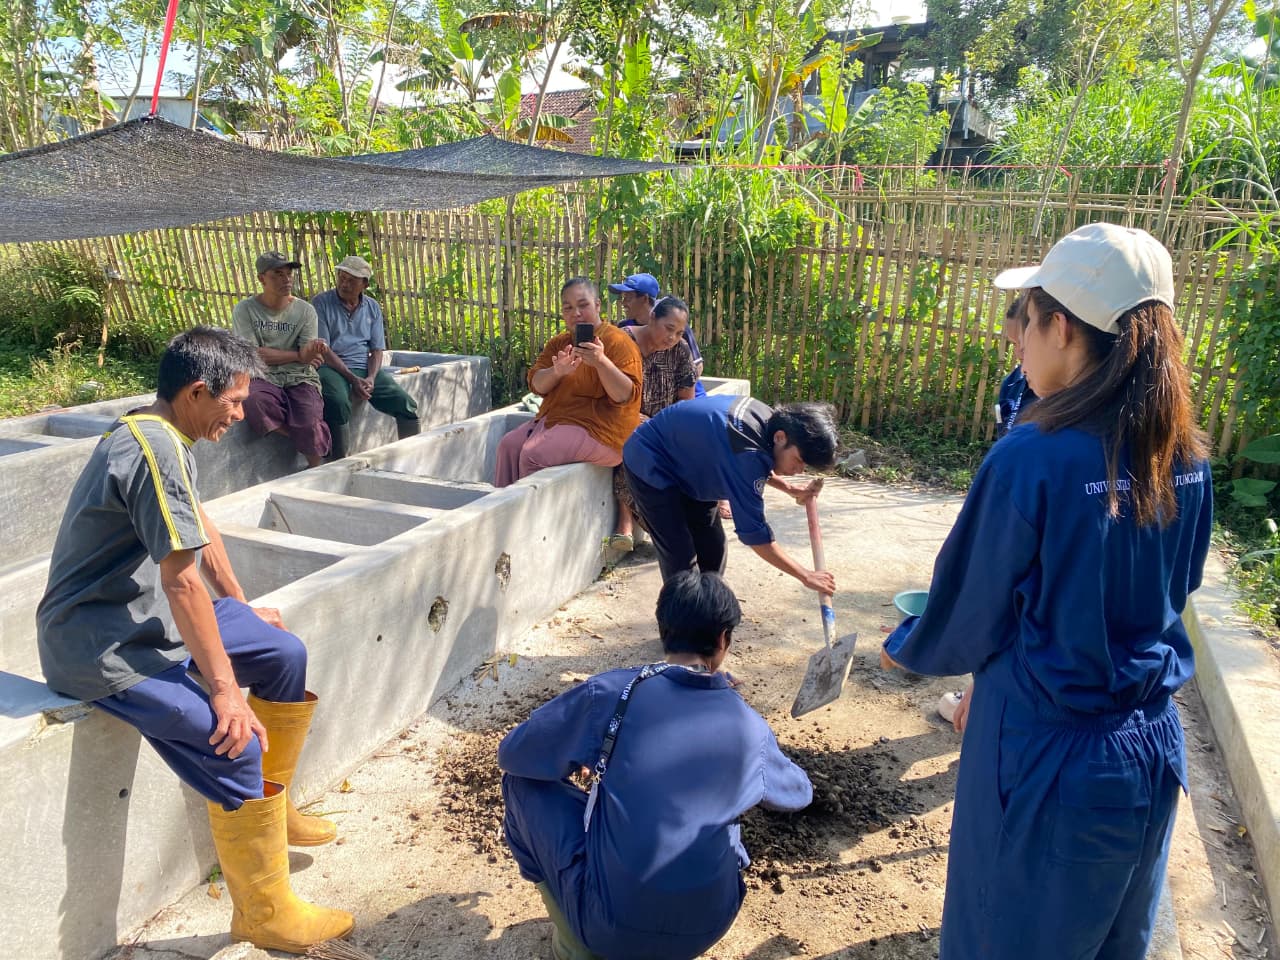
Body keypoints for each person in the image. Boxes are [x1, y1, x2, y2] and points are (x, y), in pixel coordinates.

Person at [880, 223, 1213, 960]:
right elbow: (1178, 581)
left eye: (1024, 322)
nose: (1018, 343)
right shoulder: (1184, 454)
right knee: (1110, 942)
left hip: (1046, 759)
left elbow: (967, 611)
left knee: (1004, 937)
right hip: (1150, 748)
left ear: (1060, 327)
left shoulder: (1031, 455)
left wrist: (907, 646)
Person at [36, 326, 353, 954]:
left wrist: (238, 608)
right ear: (197, 391)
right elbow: (181, 584)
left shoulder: (163, 429)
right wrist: (226, 691)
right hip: (99, 646)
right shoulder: (152, 448)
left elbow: (197, 525)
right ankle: (262, 911)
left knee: (282, 650)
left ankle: (275, 805)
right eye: (233, 403)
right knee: (233, 737)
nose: (239, 417)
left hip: (142, 621)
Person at [499, 570, 812, 960]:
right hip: (711, 923)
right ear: (723, 640)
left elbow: (512, 755)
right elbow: (797, 794)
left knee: (519, 784)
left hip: (612, 932)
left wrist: (582, 755)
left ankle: (571, 936)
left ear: (663, 629)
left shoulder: (613, 694)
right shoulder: (748, 724)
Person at [622, 394, 838, 594]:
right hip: (650, 461)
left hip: (691, 464)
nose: (798, 471)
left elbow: (748, 466)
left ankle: (709, 617)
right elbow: (756, 535)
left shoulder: (772, 422)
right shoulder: (748, 453)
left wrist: (789, 489)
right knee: (680, 560)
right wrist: (805, 575)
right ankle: (681, 632)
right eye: (799, 461)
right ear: (780, 438)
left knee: (713, 548)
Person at [494, 277, 642, 487]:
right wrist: (557, 372)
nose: (576, 314)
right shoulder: (560, 343)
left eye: (583, 305)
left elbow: (625, 396)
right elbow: (536, 384)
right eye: (568, 308)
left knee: (533, 454)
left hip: (602, 431)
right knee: (508, 447)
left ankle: (535, 519)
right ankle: (503, 512)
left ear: (597, 305)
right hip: (559, 420)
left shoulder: (618, 342)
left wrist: (601, 362)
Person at [609, 295, 698, 556]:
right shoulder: (623, 341)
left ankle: (679, 523)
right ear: (652, 318)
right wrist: (632, 417)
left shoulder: (680, 350)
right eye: (668, 328)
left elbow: (686, 400)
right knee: (634, 442)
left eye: (679, 332)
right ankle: (625, 522)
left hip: (664, 425)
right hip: (623, 418)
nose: (672, 337)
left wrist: (667, 428)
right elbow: (605, 387)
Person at [312, 255, 421, 459]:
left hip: (363, 368)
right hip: (332, 367)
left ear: (365, 284)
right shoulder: (321, 303)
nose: (344, 284)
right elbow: (324, 350)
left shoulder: (372, 307)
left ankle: (413, 457)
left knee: (405, 403)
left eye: (351, 280)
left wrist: (371, 377)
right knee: (337, 401)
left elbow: (377, 350)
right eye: (341, 278)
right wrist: (353, 379)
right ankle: (339, 463)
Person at [234, 251, 331, 468]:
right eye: (277, 274)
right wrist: (298, 355)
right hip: (262, 376)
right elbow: (253, 355)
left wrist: (311, 351)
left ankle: (317, 468)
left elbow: (309, 358)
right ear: (262, 279)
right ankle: (302, 437)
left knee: (311, 420)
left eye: (289, 273)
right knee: (254, 401)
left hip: (300, 376)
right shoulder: (245, 309)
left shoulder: (305, 311)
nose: (286, 279)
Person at [611, 272, 707, 397]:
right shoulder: (624, 329)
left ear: (645, 299)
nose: (623, 303)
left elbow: (698, 365)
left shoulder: (676, 325)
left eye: (628, 298)